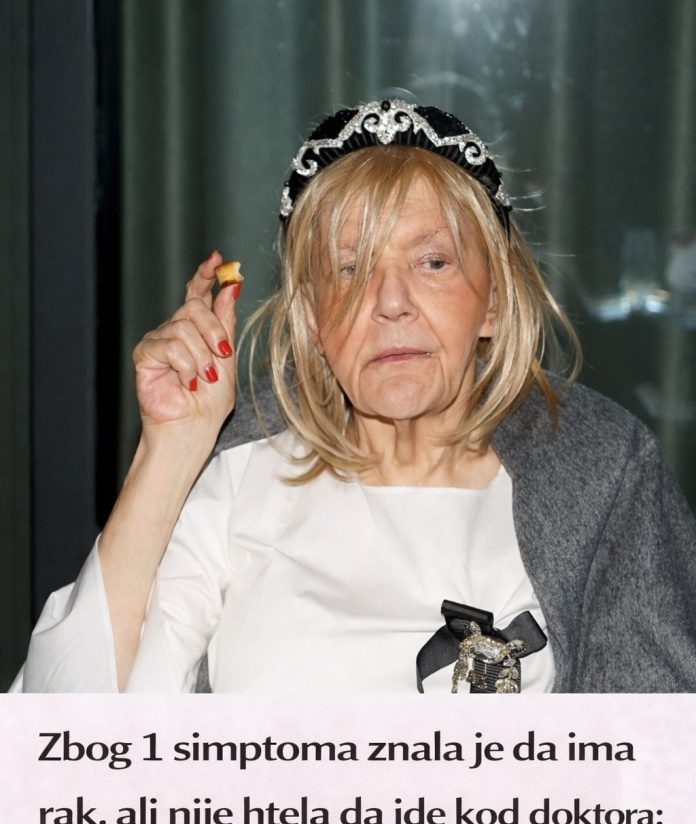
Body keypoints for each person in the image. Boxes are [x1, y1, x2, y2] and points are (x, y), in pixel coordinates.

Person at [14, 99, 696, 694]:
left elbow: (657, 762)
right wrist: (173, 448)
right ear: (313, 317)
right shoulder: (241, 471)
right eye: (349, 270)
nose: (390, 302)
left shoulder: (598, 471)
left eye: (432, 262)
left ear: (492, 301)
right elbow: (60, 744)